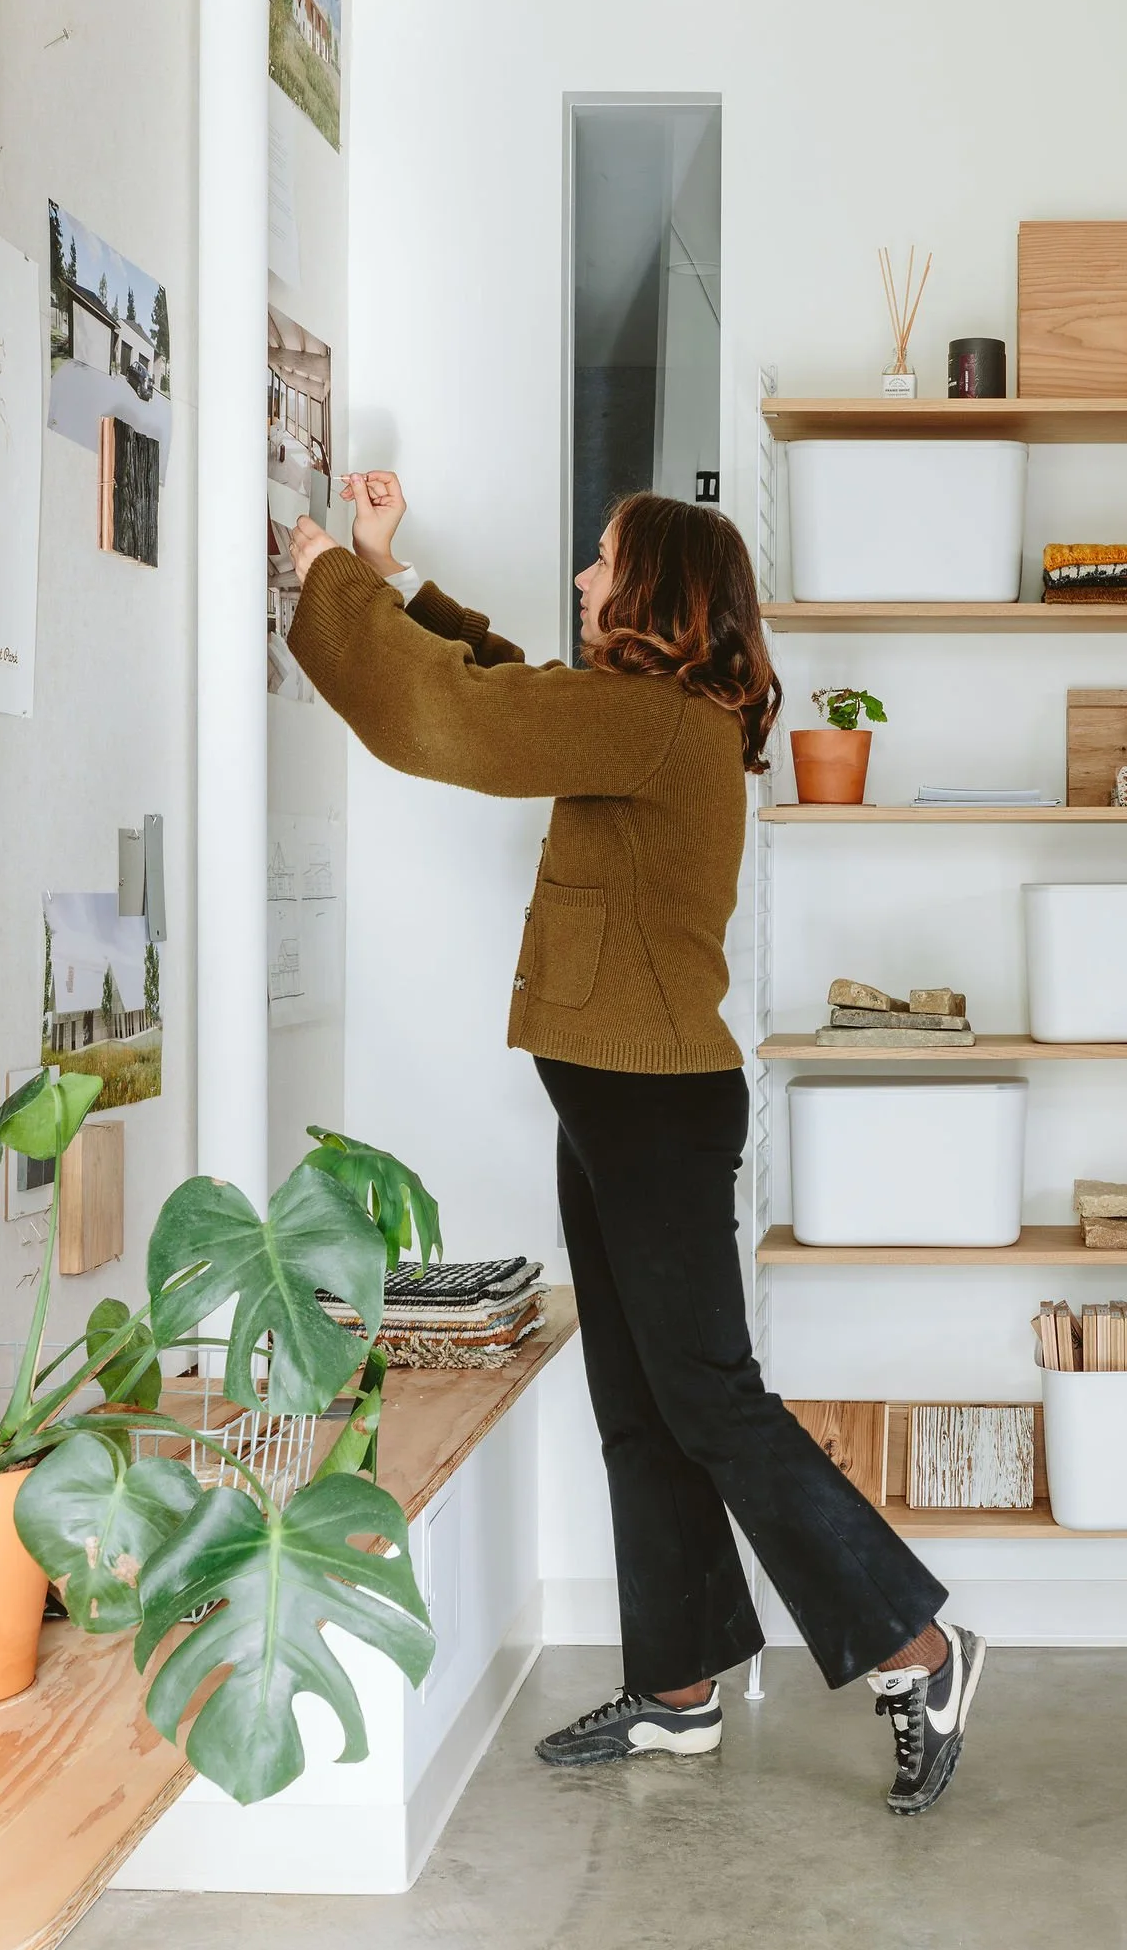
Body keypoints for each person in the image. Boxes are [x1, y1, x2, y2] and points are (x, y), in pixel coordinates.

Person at [287, 475, 984, 1817]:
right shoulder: (653, 720)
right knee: (641, 1405)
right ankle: (676, 1692)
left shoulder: (659, 723)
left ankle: (921, 1649)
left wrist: (331, 582)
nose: (583, 580)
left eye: (603, 563)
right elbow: (510, 687)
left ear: (658, 588)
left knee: (709, 1397)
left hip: (651, 1109)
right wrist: (390, 570)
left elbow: (460, 718)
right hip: (616, 1098)